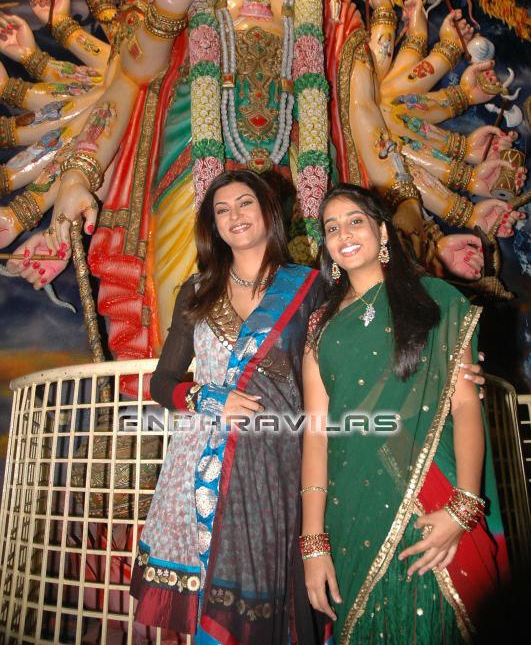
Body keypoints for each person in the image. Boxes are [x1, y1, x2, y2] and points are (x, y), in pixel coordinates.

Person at [300, 183, 508, 644]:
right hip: (351, 511)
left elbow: (464, 404)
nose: (344, 234)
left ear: (381, 230)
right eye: (331, 228)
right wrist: (312, 543)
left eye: (355, 221)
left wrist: (463, 507)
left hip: (437, 502)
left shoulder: (436, 300)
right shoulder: (320, 327)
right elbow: (316, 435)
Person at [130, 169, 325, 644]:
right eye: (221, 210)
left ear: (267, 212)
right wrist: (209, 397)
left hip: (274, 464)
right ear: (212, 225)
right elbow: (163, 382)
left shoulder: (309, 287)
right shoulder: (197, 290)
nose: (234, 216)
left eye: (244, 204)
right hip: (200, 468)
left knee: (267, 599)